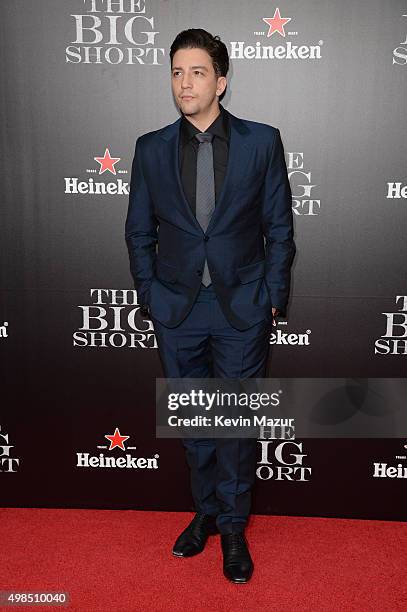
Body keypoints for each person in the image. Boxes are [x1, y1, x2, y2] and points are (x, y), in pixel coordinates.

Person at [125, 28, 295, 583]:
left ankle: (234, 528)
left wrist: (272, 295)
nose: (184, 83)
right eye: (176, 72)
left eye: (197, 72)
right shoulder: (150, 148)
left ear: (221, 81)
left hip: (241, 307)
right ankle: (205, 512)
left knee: (235, 424)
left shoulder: (261, 142)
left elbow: (279, 228)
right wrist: (150, 294)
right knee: (195, 424)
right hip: (176, 310)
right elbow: (138, 233)